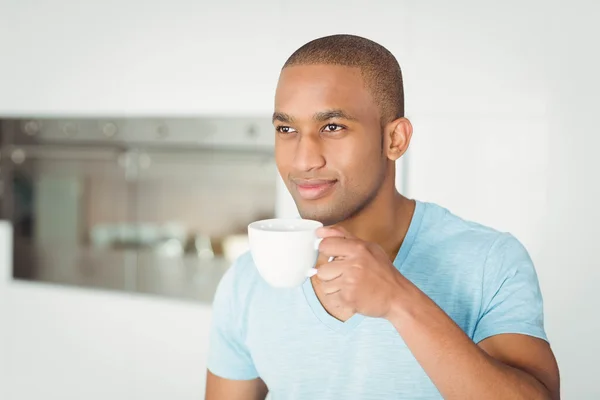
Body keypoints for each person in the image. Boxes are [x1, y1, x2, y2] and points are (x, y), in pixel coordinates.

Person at [205, 34, 560, 399]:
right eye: (287, 130)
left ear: (395, 139)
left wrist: (398, 301)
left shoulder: (490, 261)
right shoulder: (246, 280)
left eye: (332, 127)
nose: (303, 160)